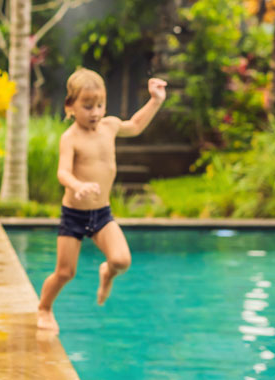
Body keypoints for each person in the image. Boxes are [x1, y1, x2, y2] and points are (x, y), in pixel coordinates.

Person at [36, 68, 167, 333]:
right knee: (65, 272)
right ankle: (44, 308)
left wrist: (156, 100)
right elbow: (63, 172)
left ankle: (106, 272)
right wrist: (77, 185)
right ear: (70, 106)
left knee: (122, 260)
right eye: (87, 106)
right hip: (74, 214)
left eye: (100, 105)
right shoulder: (70, 138)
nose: (95, 112)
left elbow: (136, 125)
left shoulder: (109, 126)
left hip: (101, 213)